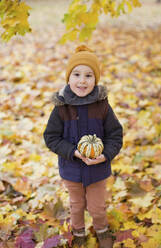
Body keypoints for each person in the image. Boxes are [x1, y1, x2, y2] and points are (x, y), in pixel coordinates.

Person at [43, 45, 123, 248]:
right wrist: (74, 152)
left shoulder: (102, 105)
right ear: (68, 78)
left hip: (97, 169)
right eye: (76, 74)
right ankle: (78, 232)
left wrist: (105, 155)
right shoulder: (61, 107)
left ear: (95, 79)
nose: (82, 80)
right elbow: (51, 137)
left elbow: (115, 135)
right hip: (72, 170)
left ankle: (102, 230)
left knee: (97, 207)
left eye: (88, 75)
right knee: (76, 205)